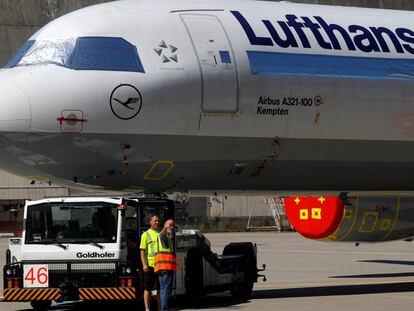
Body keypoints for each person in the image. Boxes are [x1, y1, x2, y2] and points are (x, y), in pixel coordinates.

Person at [140, 214, 161, 311]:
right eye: (155, 220)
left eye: (158, 221)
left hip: (160, 265)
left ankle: (160, 308)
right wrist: (144, 264)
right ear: (150, 222)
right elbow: (142, 251)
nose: (157, 222)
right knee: (147, 288)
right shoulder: (145, 234)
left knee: (159, 289)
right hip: (149, 266)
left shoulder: (161, 233)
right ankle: (147, 308)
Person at [154, 219, 176, 311]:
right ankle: (164, 309)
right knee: (166, 290)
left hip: (162, 267)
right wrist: (166, 227)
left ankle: (163, 309)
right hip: (165, 268)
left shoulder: (168, 238)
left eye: (173, 226)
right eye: (170, 225)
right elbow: (162, 233)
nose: (171, 227)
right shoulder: (163, 236)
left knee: (163, 289)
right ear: (165, 226)